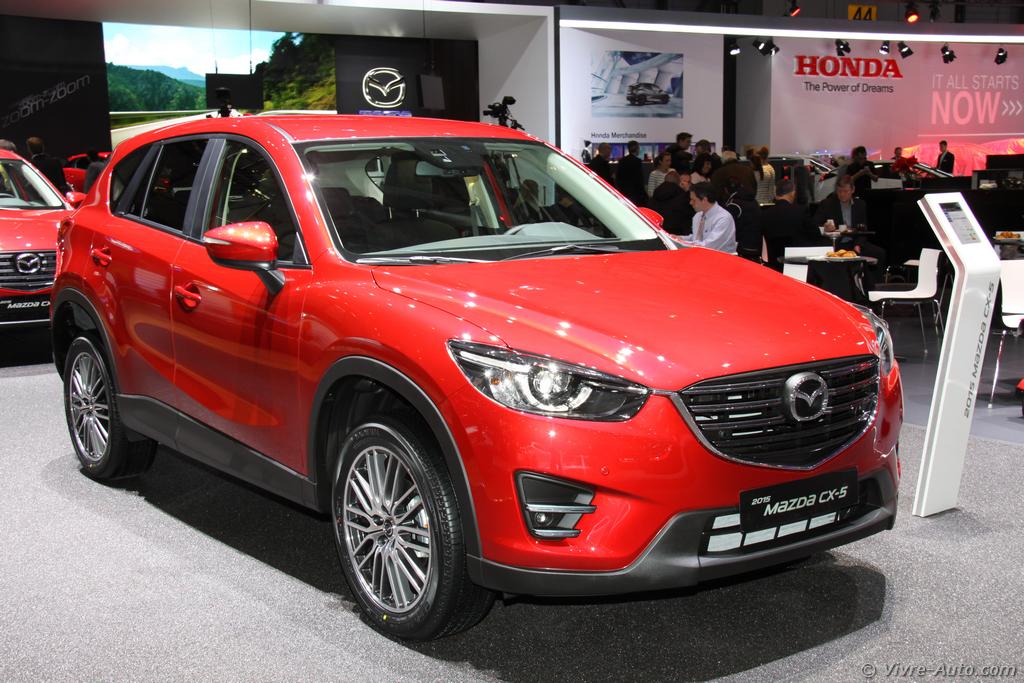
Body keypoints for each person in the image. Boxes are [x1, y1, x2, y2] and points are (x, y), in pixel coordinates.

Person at [812, 175, 886, 265]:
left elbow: (863, 229)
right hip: (835, 244)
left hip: (854, 242)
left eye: (845, 191)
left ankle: (869, 274)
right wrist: (824, 228)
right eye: (839, 191)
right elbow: (813, 225)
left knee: (880, 253)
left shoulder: (860, 205)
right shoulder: (827, 204)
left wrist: (858, 245)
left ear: (852, 190)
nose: (842, 194)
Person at [761, 179, 813, 270]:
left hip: (773, 265)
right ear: (793, 193)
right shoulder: (800, 212)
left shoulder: (765, 214)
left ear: (776, 194)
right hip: (798, 264)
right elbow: (814, 233)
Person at [685, 181, 736, 253]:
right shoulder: (698, 215)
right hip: (702, 255)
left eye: (693, 200)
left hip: (720, 258)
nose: (690, 203)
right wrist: (678, 238)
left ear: (704, 200)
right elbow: (696, 238)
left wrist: (682, 243)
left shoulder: (724, 218)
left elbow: (708, 246)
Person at [723, 177, 762, 263]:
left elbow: (729, 226)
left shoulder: (734, 204)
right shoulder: (753, 200)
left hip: (742, 246)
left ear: (726, 190)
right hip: (757, 244)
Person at [647, 170, 693, 236]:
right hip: (676, 235)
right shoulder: (683, 198)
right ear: (679, 182)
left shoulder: (654, 197)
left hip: (656, 233)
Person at [614, 140, 646, 206]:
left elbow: (618, 177)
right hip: (635, 194)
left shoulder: (622, 161)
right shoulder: (637, 161)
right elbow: (639, 179)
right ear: (637, 149)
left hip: (624, 192)